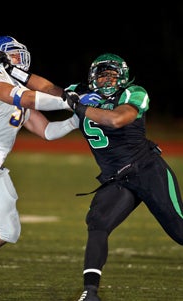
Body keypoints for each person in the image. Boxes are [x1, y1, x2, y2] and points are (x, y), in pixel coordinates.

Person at [0, 35, 77, 301]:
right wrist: (68, 101)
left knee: (8, 231)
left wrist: (76, 120)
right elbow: (12, 95)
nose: (19, 60)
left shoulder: (20, 90)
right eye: (13, 55)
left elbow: (46, 130)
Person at [64, 53, 183, 301]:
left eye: (112, 75)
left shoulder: (133, 92)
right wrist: (18, 77)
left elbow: (117, 119)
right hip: (117, 178)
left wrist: (80, 106)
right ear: (92, 77)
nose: (107, 80)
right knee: (97, 223)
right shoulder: (80, 92)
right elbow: (49, 90)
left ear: (123, 78)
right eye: (103, 74)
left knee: (180, 232)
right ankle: (90, 292)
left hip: (147, 170)